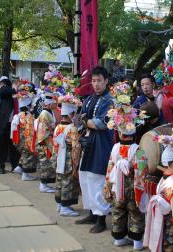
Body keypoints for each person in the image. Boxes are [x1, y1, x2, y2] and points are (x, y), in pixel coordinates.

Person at [103, 82, 145, 250]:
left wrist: (108, 186)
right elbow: (143, 170)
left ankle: (119, 238)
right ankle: (137, 242)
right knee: (135, 213)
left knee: (118, 212)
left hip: (117, 187)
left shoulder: (115, 148)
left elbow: (109, 168)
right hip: (133, 187)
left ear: (120, 132)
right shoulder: (138, 150)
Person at [75, 66, 114, 234]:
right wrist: (84, 122)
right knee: (85, 177)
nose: (96, 84)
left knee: (97, 178)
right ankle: (92, 212)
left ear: (106, 81)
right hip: (88, 141)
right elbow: (79, 119)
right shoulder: (89, 99)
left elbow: (102, 123)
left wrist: (85, 121)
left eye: (99, 80)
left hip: (102, 143)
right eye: (94, 80)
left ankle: (101, 219)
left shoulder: (110, 101)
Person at [53, 95, 82, 216]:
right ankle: (65, 206)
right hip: (68, 157)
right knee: (67, 181)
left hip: (58, 155)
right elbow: (76, 146)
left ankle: (60, 204)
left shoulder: (58, 126)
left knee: (60, 180)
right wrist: (76, 163)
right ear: (71, 114)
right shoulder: (72, 128)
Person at [0, 76, 18, 174]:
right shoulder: (5, 92)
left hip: (15, 123)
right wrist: (14, 88)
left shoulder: (19, 94)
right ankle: (1, 166)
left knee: (14, 146)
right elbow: (3, 91)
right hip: (4, 123)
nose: (1, 85)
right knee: (1, 145)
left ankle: (15, 166)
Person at [34, 92, 57, 192]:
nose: (55, 104)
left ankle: (45, 184)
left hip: (48, 140)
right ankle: (43, 185)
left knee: (47, 163)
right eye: (54, 103)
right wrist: (53, 130)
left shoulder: (49, 112)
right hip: (43, 141)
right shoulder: (44, 113)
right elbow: (43, 131)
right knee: (45, 163)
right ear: (48, 104)